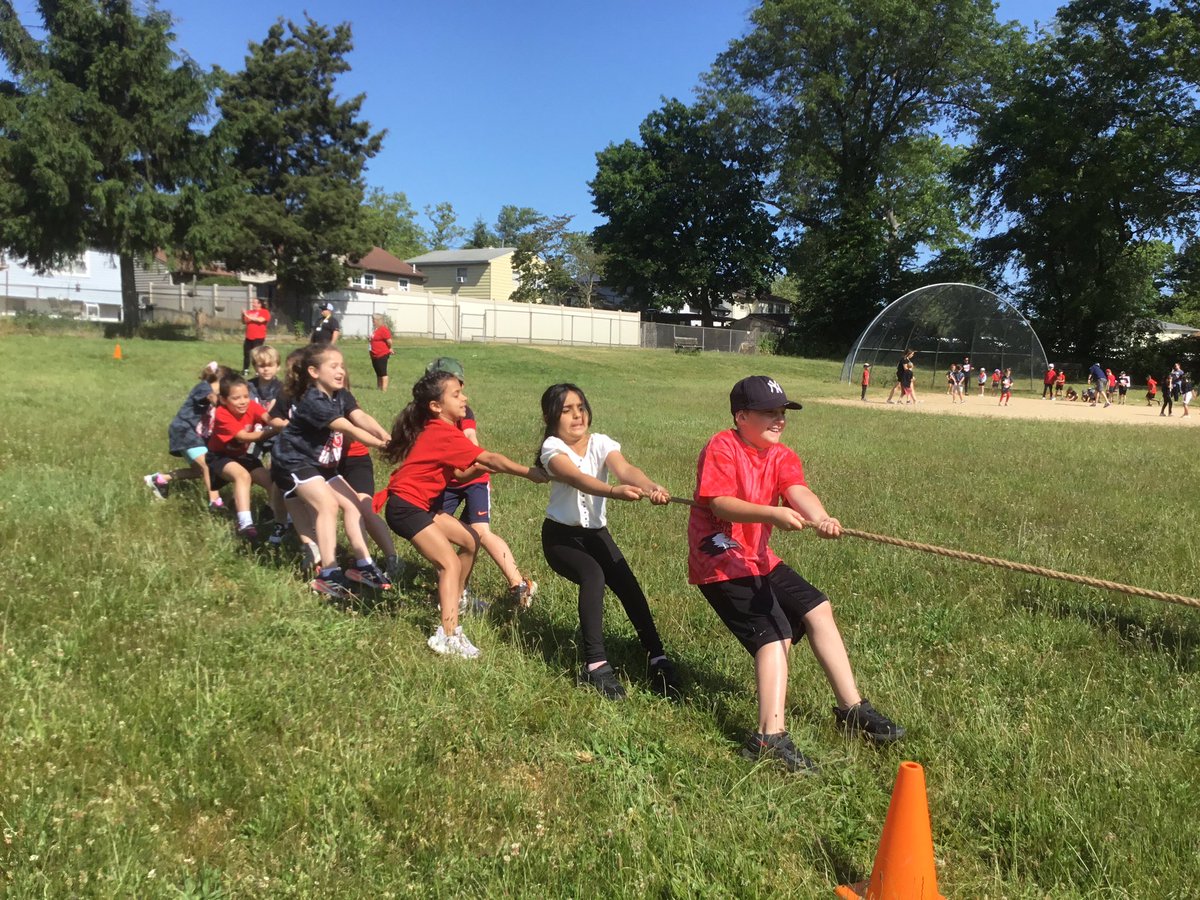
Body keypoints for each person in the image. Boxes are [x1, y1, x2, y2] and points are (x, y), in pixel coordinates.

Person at [688, 375, 903, 772]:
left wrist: (820, 517)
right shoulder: (723, 446)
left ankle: (852, 708)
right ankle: (768, 738)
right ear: (741, 417)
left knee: (817, 607)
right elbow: (719, 503)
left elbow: (797, 490)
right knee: (775, 633)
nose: (780, 419)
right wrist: (772, 513)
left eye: (783, 412)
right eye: (769, 412)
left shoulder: (781, 455)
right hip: (720, 561)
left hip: (759, 557)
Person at [380, 369, 547, 659]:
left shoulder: (442, 429)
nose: (464, 398)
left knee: (471, 539)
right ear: (436, 405)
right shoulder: (441, 431)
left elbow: (458, 473)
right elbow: (490, 456)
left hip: (421, 506)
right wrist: (528, 473)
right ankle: (447, 635)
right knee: (449, 564)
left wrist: (479, 469)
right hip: (406, 507)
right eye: (456, 394)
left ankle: (456, 601)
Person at [537, 382, 682, 701]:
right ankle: (596, 666)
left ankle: (657, 657)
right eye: (566, 410)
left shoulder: (600, 442)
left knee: (628, 584)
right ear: (550, 417)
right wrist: (614, 491)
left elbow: (625, 469)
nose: (577, 415)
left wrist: (651, 486)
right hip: (561, 538)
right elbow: (577, 478)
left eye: (581, 407)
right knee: (594, 576)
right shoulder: (552, 448)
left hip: (596, 535)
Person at [270, 344, 391, 600]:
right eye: (333, 366)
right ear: (314, 372)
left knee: (354, 505)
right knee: (327, 505)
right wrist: (381, 445)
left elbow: (360, 417)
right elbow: (348, 428)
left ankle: (363, 566)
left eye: (342, 366)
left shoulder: (340, 394)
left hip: (321, 462)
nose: (341, 371)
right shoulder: (312, 400)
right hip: (293, 460)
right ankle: (328, 574)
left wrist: (385, 435)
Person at [427, 357, 537, 612]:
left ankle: (520, 584)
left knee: (480, 532)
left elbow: (469, 435)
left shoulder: (463, 411)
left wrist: (475, 461)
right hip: (447, 482)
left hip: (473, 477)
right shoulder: (426, 416)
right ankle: (456, 588)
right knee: (435, 531)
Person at [206, 373, 288, 539]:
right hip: (219, 456)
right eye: (236, 398)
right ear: (223, 400)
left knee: (272, 480)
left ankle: (276, 514)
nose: (243, 401)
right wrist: (274, 431)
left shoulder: (251, 405)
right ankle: (245, 523)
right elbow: (243, 437)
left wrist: (283, 424)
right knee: (242, 476)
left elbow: (268, 418)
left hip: (241, 455)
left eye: (245, 396)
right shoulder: (222, 413)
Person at [144, 361, 230, 509]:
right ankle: (215, 502)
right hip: (185, 431)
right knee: (208, 465)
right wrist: (225, 407)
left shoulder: (209, 389)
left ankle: (160, 479)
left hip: (193, 434)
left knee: (198, 471)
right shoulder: (204, 387)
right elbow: (210, 398)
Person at [240, 298, 271, 375]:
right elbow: (244, 321)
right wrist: (243, 314)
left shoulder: (264, 312)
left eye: (255, 303)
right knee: (246, 354)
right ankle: (245, 370)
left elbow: (260, 320)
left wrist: (246, 315)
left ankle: (258, 371)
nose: (253, 304)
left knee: (257, 355)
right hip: (248, 337)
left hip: (258, 337)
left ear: (260, 304)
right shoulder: (250, 312)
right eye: (253, 302)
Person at [369, 314, 393, 391]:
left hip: (382, 354)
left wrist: (389, 348)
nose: (372, 321)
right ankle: (379, 388)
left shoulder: (383, 329)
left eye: (373, 320)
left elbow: (389, 341)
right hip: (374, 354)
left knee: (383, 372)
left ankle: (384, 390)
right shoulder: (376, 330)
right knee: (378, 373)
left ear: (378, 320)